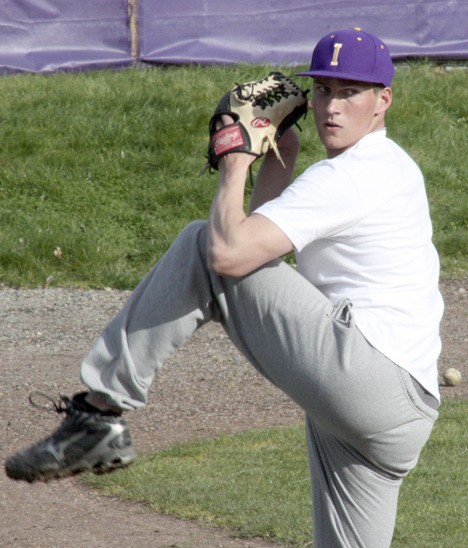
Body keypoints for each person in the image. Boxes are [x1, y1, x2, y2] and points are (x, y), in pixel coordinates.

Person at [5, 28, 443, 547]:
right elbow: (260, 252)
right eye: (323, 90)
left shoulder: (353, 175)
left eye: (350, 92)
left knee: (200, 245)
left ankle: (97, 414)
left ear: (382, 100)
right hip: (401, 411)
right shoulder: (388, 167)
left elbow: (226, 256)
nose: (332, 106)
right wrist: (279, 157)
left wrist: (236, 161)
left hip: (367, 378)